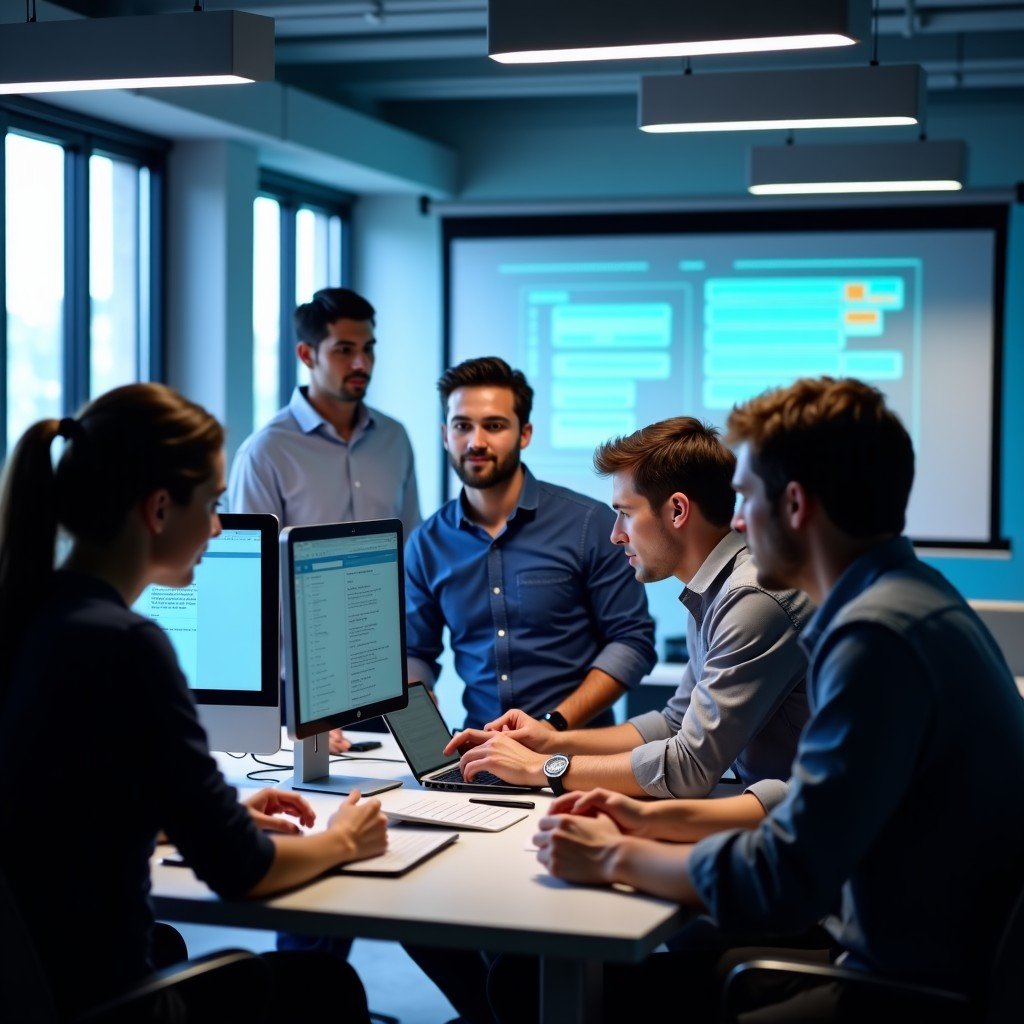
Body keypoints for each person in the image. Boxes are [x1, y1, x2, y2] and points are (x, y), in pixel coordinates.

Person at [521, 376, 1024, 1022]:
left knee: (560, 993)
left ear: (794, 506)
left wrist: (614, 854)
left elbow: (782, 878)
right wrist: (648, 820)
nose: (733, 521)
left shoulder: (873, 637)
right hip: (925, 959)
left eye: (745, 498)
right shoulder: (908, 598)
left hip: (897, 990)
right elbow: (801, 799)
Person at [0, 383, 388, 1023]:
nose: (215, 525)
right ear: (158, 510)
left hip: (42, 984)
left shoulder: (31, 616)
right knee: (324, 985)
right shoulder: (130, 646)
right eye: (211, 503)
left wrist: (213, 811)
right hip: (107, 1002)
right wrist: (344, 839)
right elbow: (240, 870)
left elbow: (52, 813)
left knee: (170, 943)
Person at [446, 416, 812, 809]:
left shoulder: (750, 598)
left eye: (625, 513)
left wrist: (543, 767)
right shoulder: (714, 588)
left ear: (677, 511)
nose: (616, 534)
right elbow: (675, 722)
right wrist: (551, 739)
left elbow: (689, 766)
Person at [404, 356, 656, 732]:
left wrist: (552, 726)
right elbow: (415, 652)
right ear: (445, 435)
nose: (476, 442)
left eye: (494, 426)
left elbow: (632, 641)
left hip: (579, 752)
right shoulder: (427, 543)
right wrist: (417, 708)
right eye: (462, 426)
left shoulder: (589, 523)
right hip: (482, 752)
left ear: (524, 433)